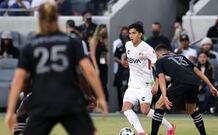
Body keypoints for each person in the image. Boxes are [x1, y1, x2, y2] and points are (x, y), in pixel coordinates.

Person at [5, 2, 108, 135]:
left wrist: (10, 111)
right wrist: (99, 97)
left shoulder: (30, 45)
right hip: (69, 100)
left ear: (39, 19)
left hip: (42, 101)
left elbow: (19, 80)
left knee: (21, 113)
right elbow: (87, 71)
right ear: (57, 17)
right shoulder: (71, 41)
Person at [151, 45, 218, 135]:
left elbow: (162, 78)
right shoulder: (181, 57)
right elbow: (198, 71)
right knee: (191, 109)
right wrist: (211, 86)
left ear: (157, 54)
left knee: (159, 105)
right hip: (195, 82)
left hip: (181, 81)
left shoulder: (159, 61)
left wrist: (164, 96)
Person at [122, 23, 174, 135]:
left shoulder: (147, 49)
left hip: (146, 84)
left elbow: (159, 67)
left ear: (140, 34)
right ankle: (141, 132)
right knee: (126, 108)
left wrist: (156, 84)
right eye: (130, 33)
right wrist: (124, 60)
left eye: (134, 33)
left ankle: (170, 126)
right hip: (132, 84)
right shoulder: (127, 45)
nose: (131, 36)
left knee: (145, 111)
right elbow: (128, 55)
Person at [89, 24, 109, 102]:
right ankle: (96, 104)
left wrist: (106, 64)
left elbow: (104, 54)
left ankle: (103, 103)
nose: (104, 32)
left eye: (105, 31)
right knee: (97, 85)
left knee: (104, 85)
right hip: (96, 65)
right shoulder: (94, 40)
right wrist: (96, 68)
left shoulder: (103, 41)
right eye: (103, 30)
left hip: (103, 65)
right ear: (99, 30)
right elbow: (92, 55)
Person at [113, 26, 129, 111]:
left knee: (129, 88)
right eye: (123, 33)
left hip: (130, 70)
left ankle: (131, 108)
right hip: (120, 70)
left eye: (126, 33)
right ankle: (121, 108)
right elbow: (114, 57)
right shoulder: (119, 45)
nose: (125, 35)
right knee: (120, 88)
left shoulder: (132, 45)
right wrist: (122, 62)